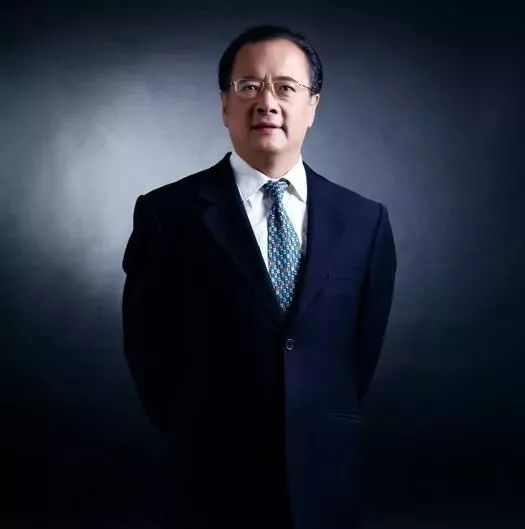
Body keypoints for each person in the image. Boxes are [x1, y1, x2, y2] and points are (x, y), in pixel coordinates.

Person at [122, 24, 396, 529]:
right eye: (249, 86)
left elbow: (361, 348)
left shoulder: (365, 220)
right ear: (224, 104)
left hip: (325, 474)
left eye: (286, 88)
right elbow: (148, 346)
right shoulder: (168, 213)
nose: (267, 102)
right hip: (211, 476)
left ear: (312, 106)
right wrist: (193, 429)